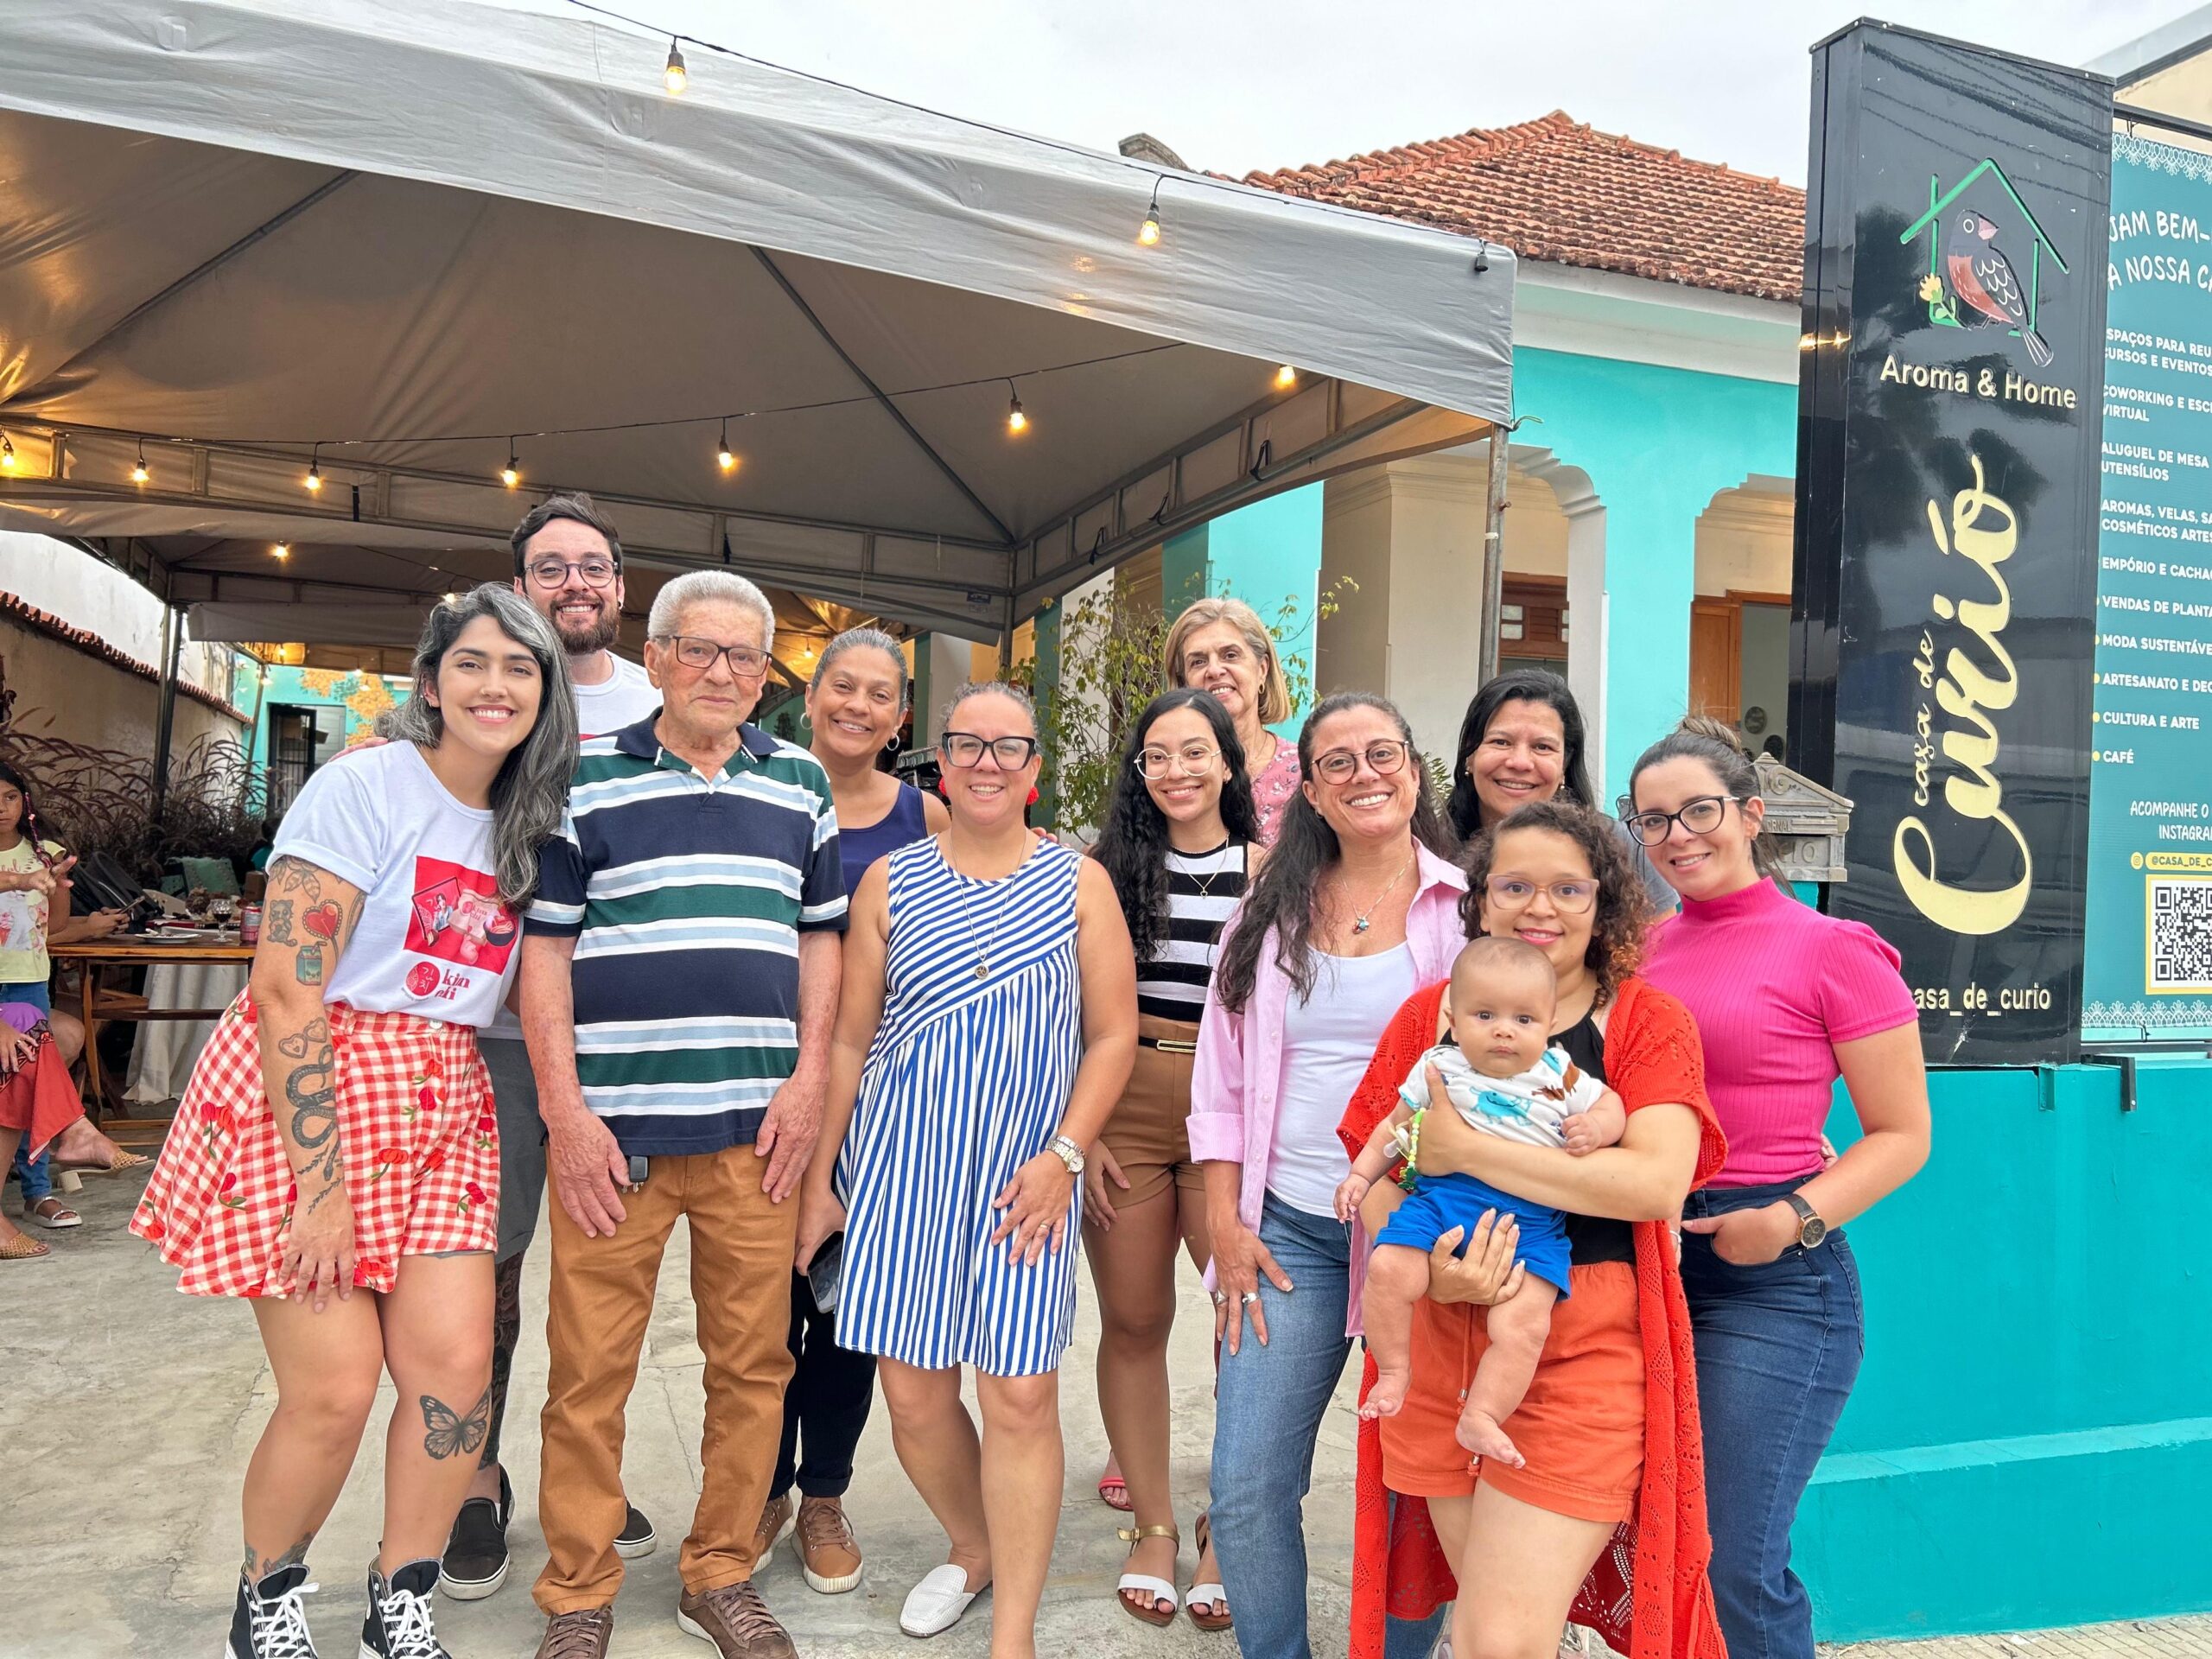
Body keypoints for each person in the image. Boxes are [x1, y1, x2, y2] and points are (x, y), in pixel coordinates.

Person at [129, 586, 576, 1659]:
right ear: (431, 683)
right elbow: (286, 987)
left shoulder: (534, 821)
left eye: (520, 668)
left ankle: (400, 1595)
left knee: (456, 1377)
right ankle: (268, 1594)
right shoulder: (363, 786)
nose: (496, 686)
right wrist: (319, 1194)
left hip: (447, 1095)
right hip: (316, 1085)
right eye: (472, 663)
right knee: (331, 1390)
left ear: (545, 692)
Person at [522, 569, 844, 1659]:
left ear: (765, 675)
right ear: (654, 656)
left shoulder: (800, 783)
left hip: (757, 1137)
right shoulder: (580, 780)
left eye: (744, 655)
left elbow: (820, 938)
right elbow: (546, 953)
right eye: (698, 649)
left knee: (754, 1369)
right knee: (588, 1374)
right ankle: (577, 1591)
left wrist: (807, 1082)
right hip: (613, 1142)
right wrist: (566, 1115)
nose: (721, 671)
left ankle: (719, 1571)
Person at [1337, 799, 1728, 1659]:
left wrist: (1466, 1150)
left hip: (1580, 1344)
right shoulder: (1431, 1017)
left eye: (1567, 889)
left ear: (1603, 903)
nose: (1539, 907)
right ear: (1479, 900)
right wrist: (1437, 1270)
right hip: (1438, 1348)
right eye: (1513, 886)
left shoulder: (1646, 1023)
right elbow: (1377, 1172)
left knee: (1496, 1640)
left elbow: (1654, 1184)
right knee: (1496, 1631)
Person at [799, 680, 1136, 1657]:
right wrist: (821, 1182)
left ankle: (1013, 1633)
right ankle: (974, 1544)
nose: (988, 763)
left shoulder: (1078, 883)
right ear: (939, 761)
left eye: (1009, 747)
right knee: (912, 1395)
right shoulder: (890, 880)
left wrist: (1065, 1155)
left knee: (1019, 1396)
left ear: (1035, 769)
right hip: (899, 1169)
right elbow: (849, 1041)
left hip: (1025, 1180)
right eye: (968, 745)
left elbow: (1112, 1036)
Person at [1627, 719, 1929, 1659]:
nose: (1677, 836)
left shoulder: (1833, 949)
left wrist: (1790, 1220)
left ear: (1752, 815)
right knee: (1656, 1548)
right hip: (1645, 1260)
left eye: (1699, 811)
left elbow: (1903, 1135)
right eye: (1653, 821)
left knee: (1735, 1558)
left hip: (1774, 1279)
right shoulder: (1639, 950)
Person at [1190, 691, 1471, 1659]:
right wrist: (1227, 1224)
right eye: (1337, 762)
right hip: (1287, 1232)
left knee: (1415, 1487)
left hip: (1425, 1234)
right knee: (1246, 1484)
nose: (1363, 775)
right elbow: (1220, 1084)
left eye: (1382, 754)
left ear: (1414, 770)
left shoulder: (1468, 911)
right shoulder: (1263, 919)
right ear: (1308, 789)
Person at [441, 489, 663, 1602]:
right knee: (486, 1269)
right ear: (518, 586)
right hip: (488, 1032)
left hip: (618, 1039)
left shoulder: (660, 701)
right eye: (550, 568)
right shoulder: (486, 689)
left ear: (620, 587)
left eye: (592, 567)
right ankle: (473, 1480)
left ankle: (586, 1478)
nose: (574, 583)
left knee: (603, 1269)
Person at [751, 628, 946, 1597]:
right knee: (758, 1308)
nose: (858, 706)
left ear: (900, 717)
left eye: (880, 694)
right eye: (843, 686)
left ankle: (823, 1492)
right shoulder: (760, 788)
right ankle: (758, 1490)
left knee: (841, 1308)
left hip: (877, 1101)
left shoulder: (925, 815)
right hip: (758, 1082)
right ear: (812, 695)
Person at [1084, 687, 1255, 1629]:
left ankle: (1229, 1524)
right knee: (1135, 1318)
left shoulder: (1272, 870)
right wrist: (1081, 1130)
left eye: (1196, 752)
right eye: (1157, 755)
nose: (1177, 770)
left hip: (1233, 1109)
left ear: (1228, 762)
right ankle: (1152, 1525)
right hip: (1130, 1103)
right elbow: (1067, 1003)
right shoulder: (1106, 872)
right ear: (1139, 770)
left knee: (1244, 1323)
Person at [1340, 935, 1625, 1454]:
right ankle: (1396, 1370)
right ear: (1454, 1018)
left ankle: (1483, 1414)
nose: (1503, 1030)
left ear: (1549, 1023)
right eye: (1485, 1015)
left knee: (1524, 1324)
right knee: (1388, 1270)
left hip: (1531, 1224)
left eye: (1524, 1019)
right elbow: (1393, 1126)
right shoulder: (1439, 1066)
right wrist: (1361, 1176)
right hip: (1442, 1204)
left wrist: (1597, 1128)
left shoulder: (1558, 1073)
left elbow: (1611, 1106)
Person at [1445, 667, 1675, 912]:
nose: (1520, 762)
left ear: (1565, 763)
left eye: (1542, 747)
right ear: (1470, 754)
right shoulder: (1431, 854)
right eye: (1501, 742)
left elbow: (1663, 936)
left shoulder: (1622, 849)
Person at [1164, 597, 1303, 846]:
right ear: (1184, 683)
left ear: (1262, 669)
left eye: (1230, 655)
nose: (1214, 670)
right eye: (1198, 661)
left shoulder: (1305, 772)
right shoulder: (1168, 773)